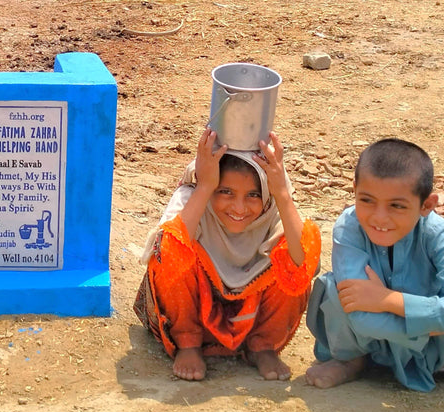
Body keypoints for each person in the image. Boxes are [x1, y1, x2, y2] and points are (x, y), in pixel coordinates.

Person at [134, 129, 320, 381]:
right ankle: (188, 343)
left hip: (252, 315)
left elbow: (305, 264)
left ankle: (262, 345)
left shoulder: (273, 206)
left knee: (295, 264)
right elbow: (164, 253)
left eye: (253, 195)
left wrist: (283, 194)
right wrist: (206, 185)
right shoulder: (193, 197)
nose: (239, 208)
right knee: (172, 247)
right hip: (193, 309)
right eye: (225, 192)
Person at [305, 138, 444, 391]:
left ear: (426, 205)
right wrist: (432, 325)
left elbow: (374, 310)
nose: (379, 217)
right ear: (354, 189)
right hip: (386, 336)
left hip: (434, 352)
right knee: (335, 288)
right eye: (367, 200)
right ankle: (352, 360)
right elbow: (361, 319)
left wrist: (388, 300)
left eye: (397, 206)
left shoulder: (438, 236)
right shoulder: (349, 228)